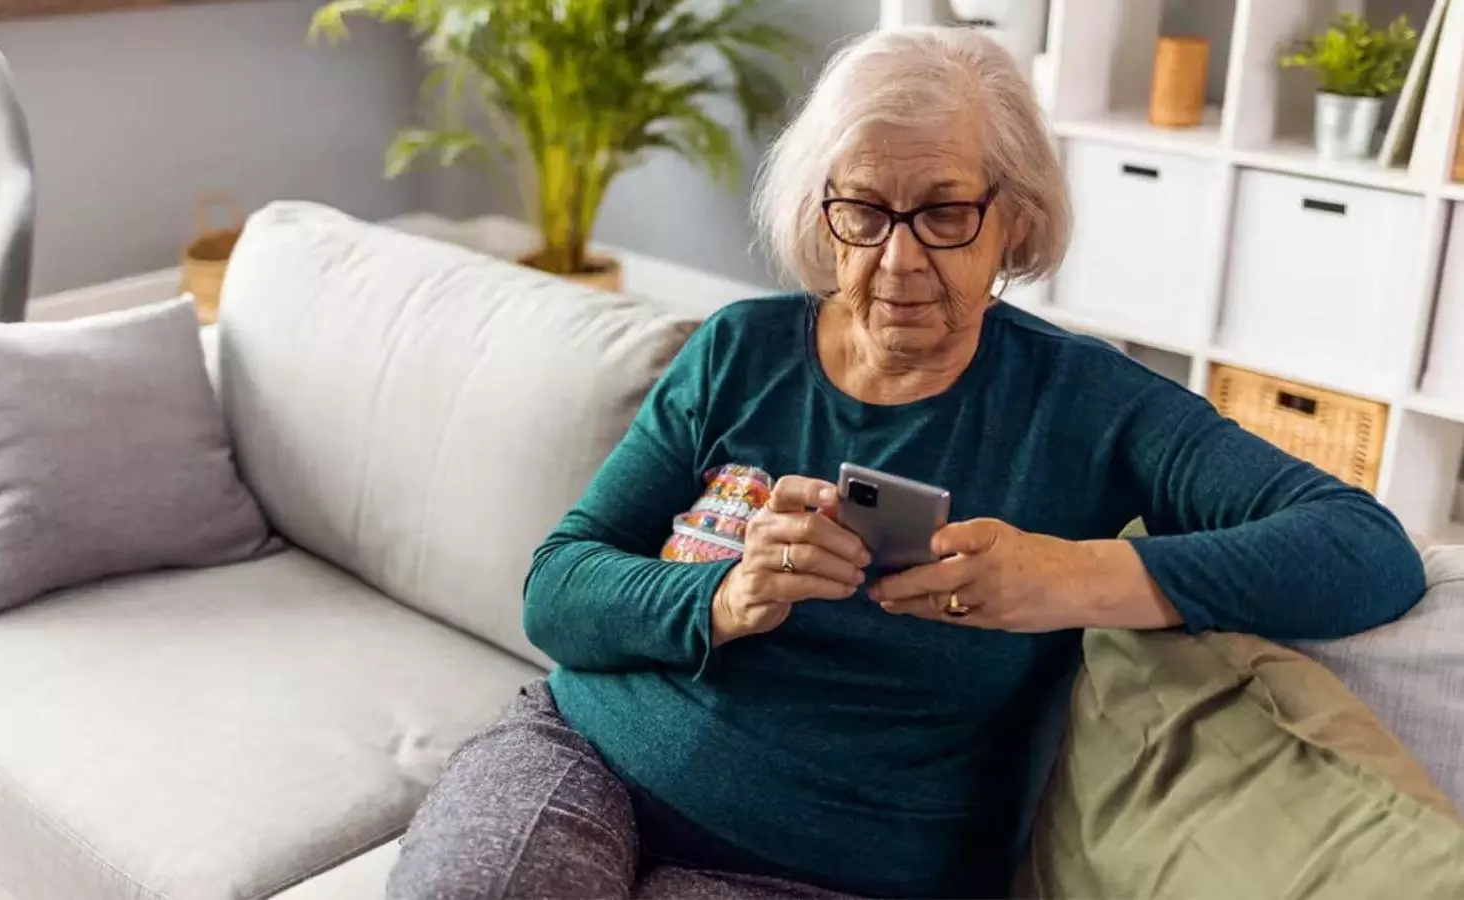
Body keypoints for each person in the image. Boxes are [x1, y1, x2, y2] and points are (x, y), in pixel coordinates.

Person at [386, 25, 1426, 900]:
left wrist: (1075, 578)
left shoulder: (1089, 405)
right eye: (864, 212)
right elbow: (556, 590)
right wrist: (724, 596)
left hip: (825, 869)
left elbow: (1366, 549)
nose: (897, 260)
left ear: (1011, 219)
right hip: (583, 757)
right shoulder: (739, 351)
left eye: (942, 212)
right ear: (822, 215)